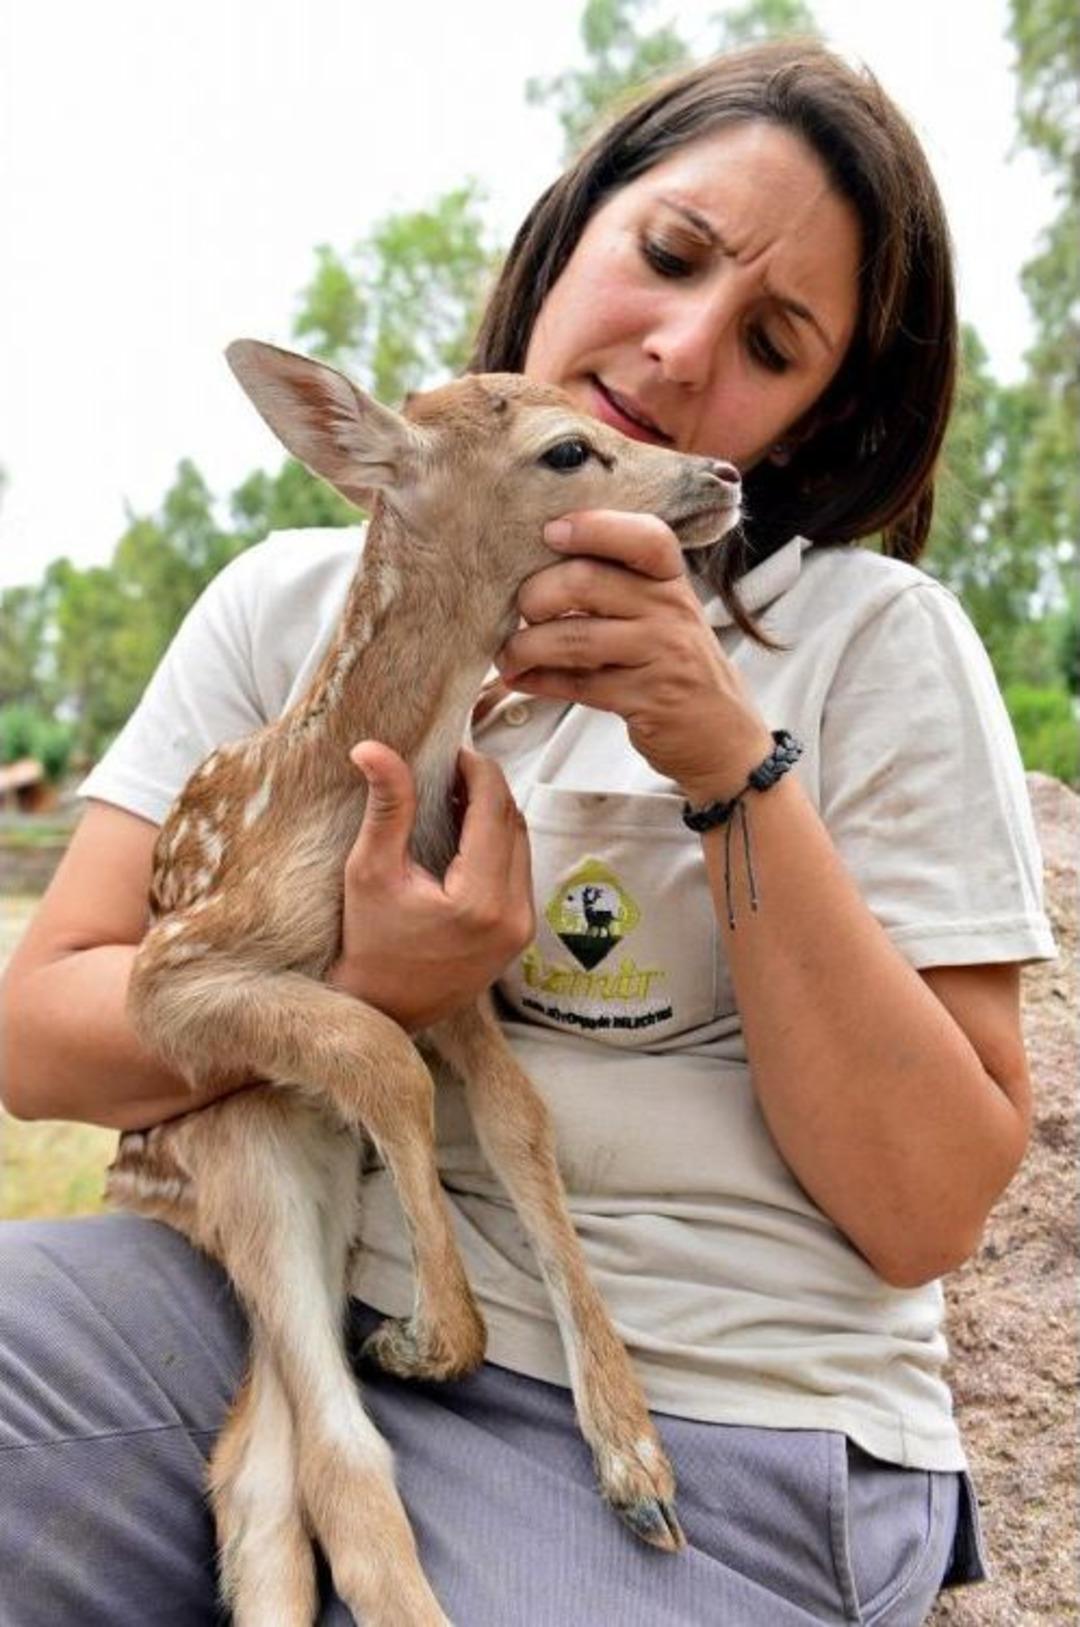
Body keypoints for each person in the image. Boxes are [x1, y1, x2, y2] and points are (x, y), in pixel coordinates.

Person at [0, 39, 1054, 1627]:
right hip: (275, 1307)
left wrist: (723, 760)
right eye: (670, 254)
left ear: (816, 412)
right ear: (568, 234)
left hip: (714, 1402)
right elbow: (40, 1042)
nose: (683, 347)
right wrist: (365, 986)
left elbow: (929, 1206)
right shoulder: (288, 602)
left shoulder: (872, 643)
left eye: (772, 342)